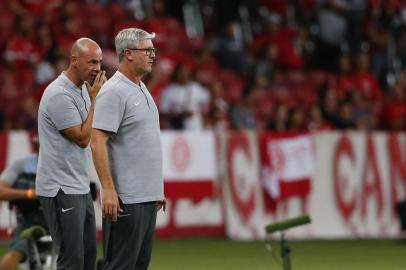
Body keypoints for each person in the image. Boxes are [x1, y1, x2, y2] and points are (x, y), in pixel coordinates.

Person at [91, 28, 166, 270]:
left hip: (146, 196)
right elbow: (97, 140)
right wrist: (109, 190)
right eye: (148, 50)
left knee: (138, 265)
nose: (153, 55)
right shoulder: (114, 92)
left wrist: (155, 189)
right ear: (129, 53)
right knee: (120, 265)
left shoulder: (141, 87)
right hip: (126, 199)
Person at [35, 37, 106, 270]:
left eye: (100, 62)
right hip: (60, 188)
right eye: (92, 62)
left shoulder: (83, 89)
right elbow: (83, 138)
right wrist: (96, 99)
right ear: (74, 60)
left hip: (80, 186)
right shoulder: (58, 94)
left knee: (87, 259)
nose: (97, 68)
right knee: (71, 260)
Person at [0, 139, 41, 270]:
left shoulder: (66, 165)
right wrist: (28, 193)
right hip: (30, 221)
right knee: (15, 252)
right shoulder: (22, 164)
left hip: (61, 221)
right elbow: (1, 191)